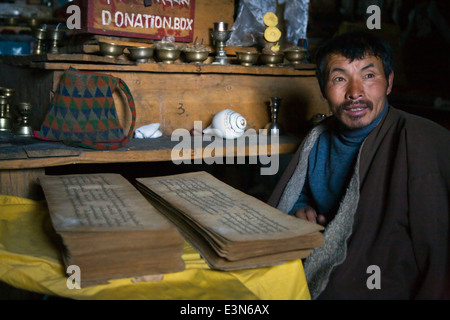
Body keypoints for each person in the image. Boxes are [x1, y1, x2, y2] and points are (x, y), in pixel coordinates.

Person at [268, 31, 449, 300]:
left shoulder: (420, 140)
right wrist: (299, 208)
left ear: (389, 82)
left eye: (368, 75)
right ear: (322, 89)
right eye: (339, 78)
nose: (354, 93)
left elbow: (440, 257)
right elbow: (297, 192)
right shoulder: (318, 138)